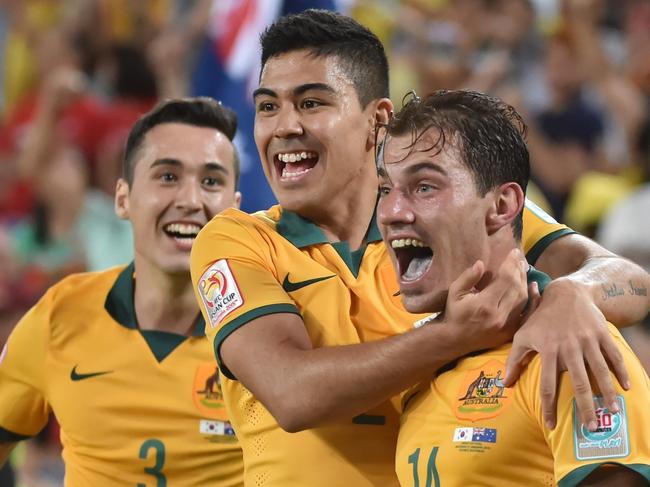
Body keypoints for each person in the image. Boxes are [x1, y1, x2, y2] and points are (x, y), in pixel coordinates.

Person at [190, 10, 650, 487]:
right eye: (267, 107)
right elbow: (291, 393)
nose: (284, 126)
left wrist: (573, 294)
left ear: (378, 121)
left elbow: (628, 279)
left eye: (311, 103)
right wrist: (453, 334)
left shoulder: (453, 214)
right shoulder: (237, 241)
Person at [377, 89, 650, 487]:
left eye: (424, 187)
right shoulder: (425, 360)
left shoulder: (570, 344)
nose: (390, 212)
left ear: (503, 206)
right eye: (385, 189)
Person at [0, 97, 244, 486]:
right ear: (122, 198)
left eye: (211, 181)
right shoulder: (60, 315)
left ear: (234, 210)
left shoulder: (269, 328)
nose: (190, 200)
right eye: (167, 177)